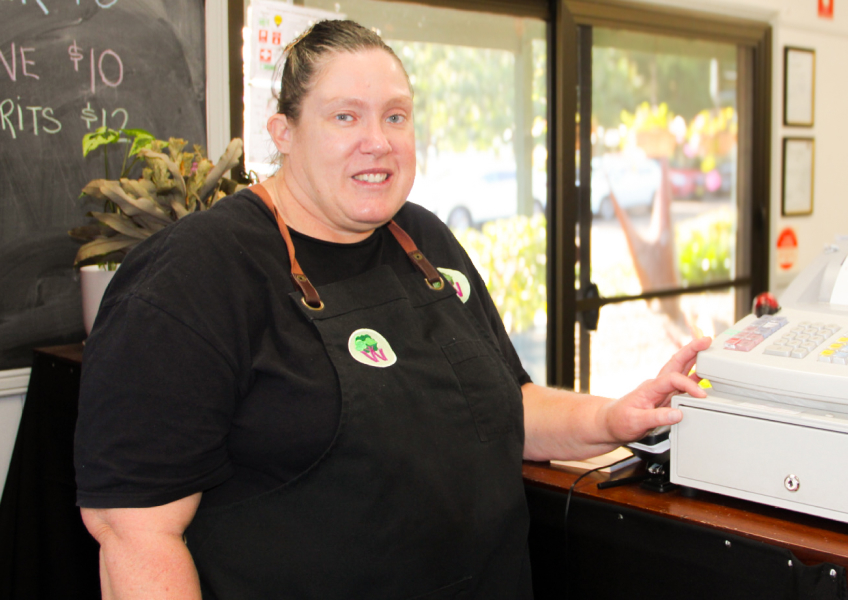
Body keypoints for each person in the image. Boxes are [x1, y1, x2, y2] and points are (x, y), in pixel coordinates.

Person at [75, 19, 710, 600]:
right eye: (345, 117)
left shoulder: (423, 240)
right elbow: (135, 534)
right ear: (283, 133)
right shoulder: (194, 276)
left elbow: (505, 405)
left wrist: (613, 417)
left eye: (396, 117)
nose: (377, 142)